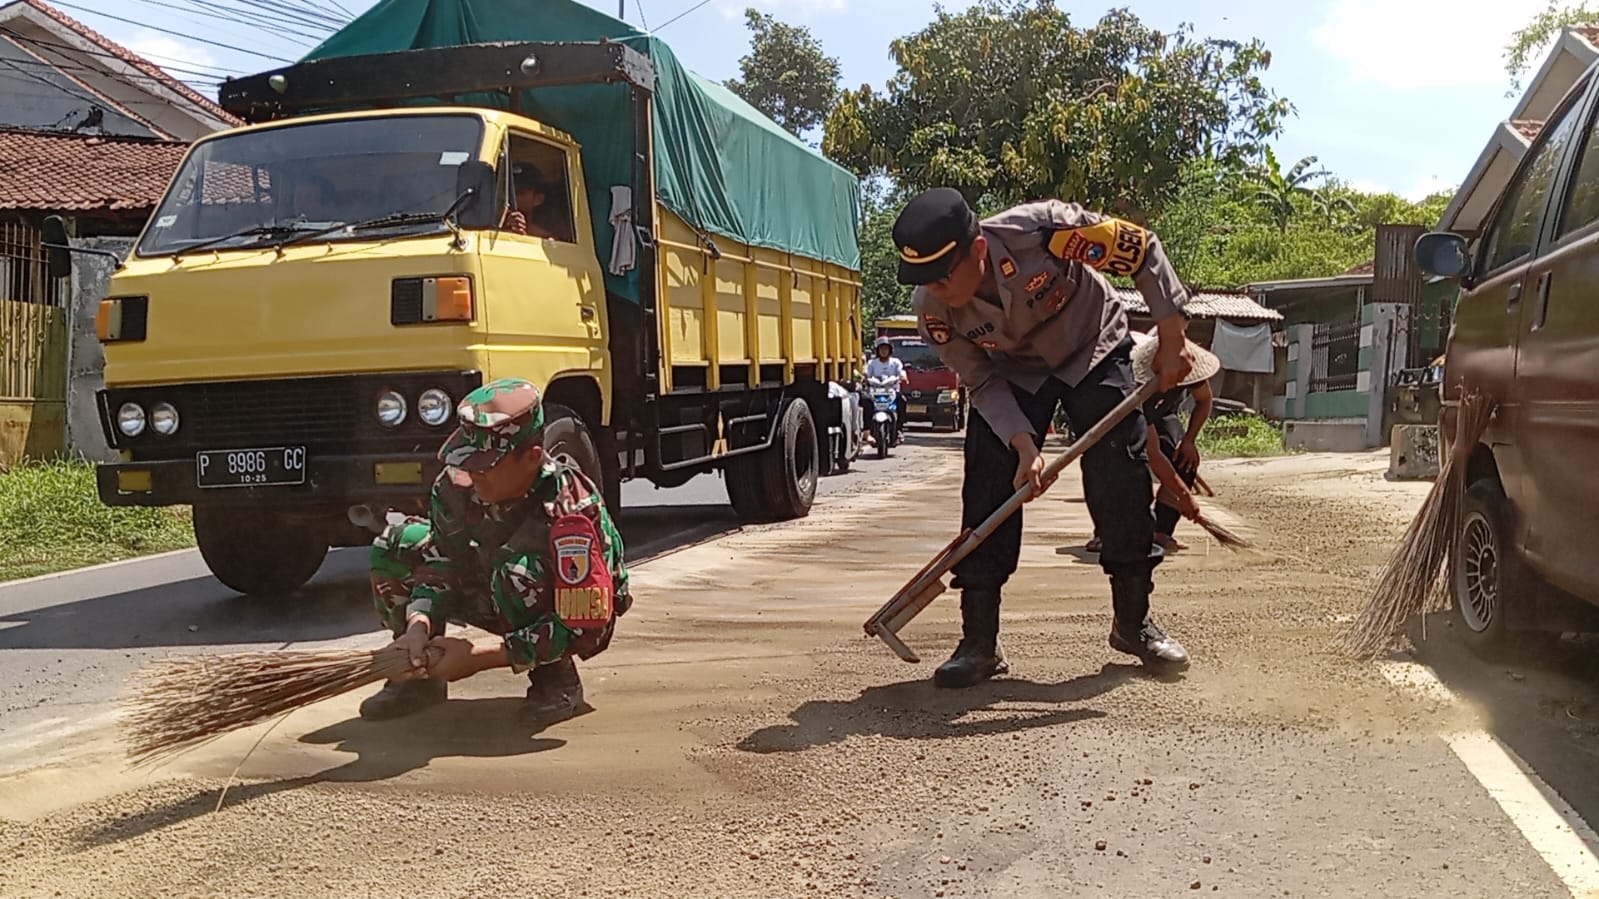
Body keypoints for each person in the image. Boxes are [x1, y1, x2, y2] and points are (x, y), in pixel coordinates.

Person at [892, 187, 1195, 688]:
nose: (938, 288)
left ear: (980, 250)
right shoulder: (933, 312)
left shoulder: (1043, 232)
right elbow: (982, 381)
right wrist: (1022, 444)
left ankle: (1133, 621)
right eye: (927, 280)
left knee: (1120, 470)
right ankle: (979, 641)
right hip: (1010, 373)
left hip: (1090, 344)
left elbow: (1140, 248)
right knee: (989, 483)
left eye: (946, 275)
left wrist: (1172, 339)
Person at [361, 377, 631, 725]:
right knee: (397, 543)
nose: (472, 474)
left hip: (569, 612)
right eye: (467, 461)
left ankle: (556, 679)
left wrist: (479, 658)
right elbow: (442, 560)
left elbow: (586, 626)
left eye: (485, 465)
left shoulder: (571, 509)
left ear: (532, 458)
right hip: (490, 583)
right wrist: (418, 623)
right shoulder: (456, 485)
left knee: (517, 572)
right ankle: (418, 676)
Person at [1085, 331, 1219, 554]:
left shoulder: (1190, 370)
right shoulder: (1137, 386)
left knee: (1185, 459)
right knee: (1113, 466)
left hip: (1162, 414)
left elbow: (1204, 400)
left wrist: (1189, 440)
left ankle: (1162, 531)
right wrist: (1185, 496)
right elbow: (1153, 454)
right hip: (1114, 419)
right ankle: (1105, 532)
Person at [863, 336, 910, 439]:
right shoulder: (872, 363)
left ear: (890, 350)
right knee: (866, 402)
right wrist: (863, 377)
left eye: (886, 349)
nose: (884, 351)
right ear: (877, 350)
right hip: (875, 392)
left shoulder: (896, 362)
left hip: (892, 391)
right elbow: (866, 373)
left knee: (902, 400)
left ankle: (899, 429)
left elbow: (901, 372)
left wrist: (902, 376)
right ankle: (867, 430)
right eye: (881, 349)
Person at [502, 163, 558, 239]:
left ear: (538, 199)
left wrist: (522, 238)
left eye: (519, 192)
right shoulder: (485, 229)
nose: (510, 197)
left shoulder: (546, 240)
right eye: (505, 191)